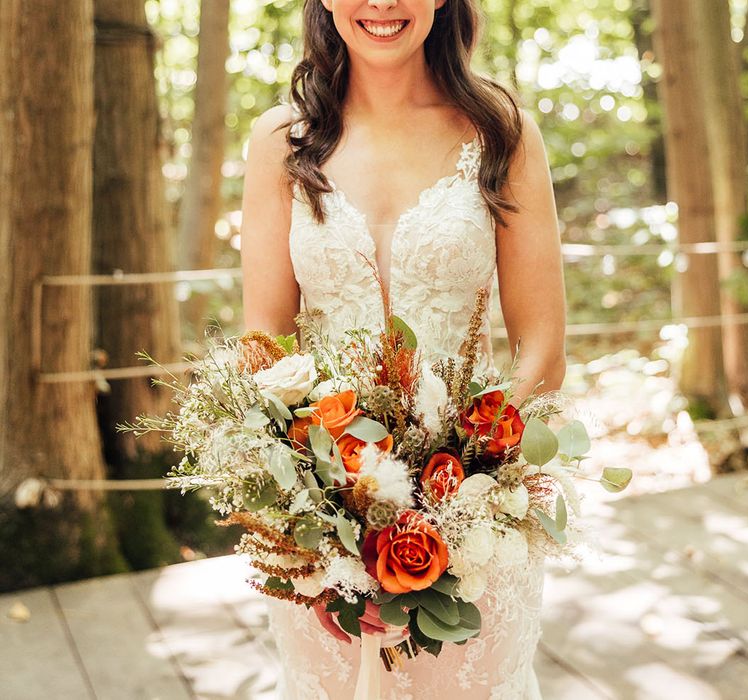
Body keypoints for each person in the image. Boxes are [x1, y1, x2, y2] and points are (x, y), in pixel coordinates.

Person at [240, 0, 566, 696]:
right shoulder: (280, 140)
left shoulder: (500, 133)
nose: (382, 3)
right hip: (318, 530)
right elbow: (263, 344)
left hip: (477, 522)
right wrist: (316, 515)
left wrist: (471, 490)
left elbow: (542, 348)